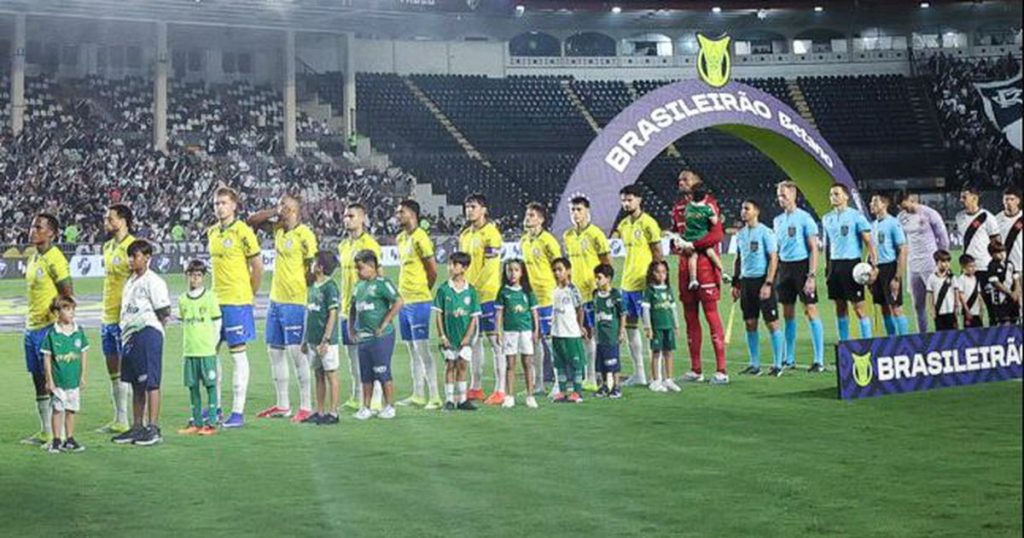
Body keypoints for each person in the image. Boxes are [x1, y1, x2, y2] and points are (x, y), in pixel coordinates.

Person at [250, 195, 317, 423]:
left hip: (295, 301)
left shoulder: (304, 234)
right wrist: (273, 211)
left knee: (296, 353)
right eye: (282, 207)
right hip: (276, 300)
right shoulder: (278, 230)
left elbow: (313, 267)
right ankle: (282, 404)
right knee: (274, 351)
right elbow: (252, 221)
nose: (283, 211)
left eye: (287, 208)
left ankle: (306, 406)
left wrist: (303, 289)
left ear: (297, 211)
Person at [208, 185, 264, 428]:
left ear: (234, 206)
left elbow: (258, 267)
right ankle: (214, 407)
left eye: (223, 203)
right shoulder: (212, 232)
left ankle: (238, 412)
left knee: (238, 354)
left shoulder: (243, 231)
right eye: (216, 203)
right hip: (214, 302)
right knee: (209, 354)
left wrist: (250, 294)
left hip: (237, 302)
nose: (219, 207)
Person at [21, 213, 73, 448]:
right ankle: (44, 431)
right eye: (33, 226)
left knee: (53, 382)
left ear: (51, 232)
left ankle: (59, 434)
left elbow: (67, 293)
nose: (33, 230)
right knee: (38, 380)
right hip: (31, 328)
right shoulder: (33, 257)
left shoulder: (55, 258)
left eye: (38, 227)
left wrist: (59, 321)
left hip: (47, 328)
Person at [112, 239, 171, 446]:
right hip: (130, 336)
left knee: (150, 382)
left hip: (147, 333)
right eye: (129, 256)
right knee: (136, 383)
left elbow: (164, 311)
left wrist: (154, 330)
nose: (130, 260)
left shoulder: (153, 281)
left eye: (135, 256)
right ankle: (137, 427)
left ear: (147, 258)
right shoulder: (130, 282)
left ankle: (153, 428)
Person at [671, 171, 728, 384]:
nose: (681, 182)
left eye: (686, 179)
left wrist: (693, 245)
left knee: (711, 314)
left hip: (705, 266)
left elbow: (717, 235)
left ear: (697, 183)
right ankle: (696, 369)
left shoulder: (709, 204)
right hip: (685, 267)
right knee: (690, 316)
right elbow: (676, 232)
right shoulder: (677, 208)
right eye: (680, 179)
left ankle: (721, 370)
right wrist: (676, 242)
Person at [772, 181, 826, 371]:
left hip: (802, 268)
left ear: (794, 195)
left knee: (810, 310)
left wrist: (811, 276)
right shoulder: (777, 221)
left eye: (784, 195)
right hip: (784, 268)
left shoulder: (805, 219)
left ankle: (819, 359)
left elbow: (814, 249)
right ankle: (790, 358)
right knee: (787, 313)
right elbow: (776, 250)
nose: (781, 199)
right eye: (779, 195)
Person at [395, 199, 441, 409]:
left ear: (412, 214)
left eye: (401, 212)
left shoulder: (420, 237)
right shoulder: (401, 238)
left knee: (423, 349)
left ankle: (435, 396)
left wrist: (424, 290)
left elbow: (432, 269)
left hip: (419, 300)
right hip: (404, 301)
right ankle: (418, 394)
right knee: (412, 349)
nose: (398, 215)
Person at [562, 196, 612, 391]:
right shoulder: (567, 235)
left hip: (592, 293)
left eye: (579, 210)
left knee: (593, 335)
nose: (575, 214)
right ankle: (586, 374)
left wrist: (605, 288)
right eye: (573, 210)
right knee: (580, 335)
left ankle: (593, 376)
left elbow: (606, 262)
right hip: (575, 295)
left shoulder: (596, 234)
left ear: (587, 211)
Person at [731, 199, 785, 377]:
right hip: (747, 282)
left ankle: (778, 364)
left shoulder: (766, 232)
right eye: (742, 208)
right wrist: (735, 283)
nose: (743, 211)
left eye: (747, 208)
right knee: (750, 323)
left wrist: (768, 283)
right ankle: (754, 364)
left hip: (763, 281)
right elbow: (738, 259)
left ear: (756, 211)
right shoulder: (740, 234)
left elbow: (773, 259)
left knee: (772, 323)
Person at [615, 184, 662, 387]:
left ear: (639, 200)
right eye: (624, 200)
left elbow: (657, 254)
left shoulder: (649, 223)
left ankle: (657, 377)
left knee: (652, 329)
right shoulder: (623, 225)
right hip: (627, 284)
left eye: (630, 199)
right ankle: (640, 374)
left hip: (644, 284)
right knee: (631, 328)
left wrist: (656, 282)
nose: (626, 203)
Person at [458, 194, 503, 402]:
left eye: (473, 207)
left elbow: (490, 267)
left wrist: (472, 288)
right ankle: (476, 387)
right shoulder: (465, 235)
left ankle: (500, 389)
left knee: (495, 341)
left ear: (483, 210)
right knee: (474, 342)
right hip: (470, 296)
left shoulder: (491, 233)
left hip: (488, 295)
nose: (469, 210)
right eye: (467, 207)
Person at [337, 203, 382, 410]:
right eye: (345, 215)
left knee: (370, 354)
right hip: (347, 309)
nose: (347, 219)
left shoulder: (369, 244)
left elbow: (377, 276)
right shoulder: (343, 245)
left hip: (366, 308)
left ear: (362, 218)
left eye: (351, 215)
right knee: (352, 355)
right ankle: (356, 395)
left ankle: (376, 396)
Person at [349, 250, 403, 420]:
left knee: (382, 370)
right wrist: (351, 328)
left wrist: (385, 323)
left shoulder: (382, 283)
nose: (358, 271)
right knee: (365, 374)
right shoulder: (358, 286)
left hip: (381, 336)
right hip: (363, 336)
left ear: (372, 267)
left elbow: (399, 301)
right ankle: (365, 407)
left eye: (360, 268)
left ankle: (390, 406)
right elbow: (352, 308)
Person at [821, 183, 877, 342]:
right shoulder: (827, 218)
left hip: (852, 265)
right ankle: (844, 344)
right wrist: (827, 266)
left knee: (858, 308)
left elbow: (869, 242)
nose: (833, 197)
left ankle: (868, 343)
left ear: (846, 196)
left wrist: (874, 265)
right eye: (831, 194)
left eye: (837, 194)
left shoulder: (856, 216)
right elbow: (828, 245)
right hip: (834, 265)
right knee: (840, 307)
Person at [520, 202, 563, 401]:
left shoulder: (548, 241)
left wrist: (560, 293)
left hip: (547, 297)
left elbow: (559, 268)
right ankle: (537, 384)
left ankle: (558, 382)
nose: (528, 218)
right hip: (531, 299)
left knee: (551, 341)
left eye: (532, 215)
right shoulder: (524, 241)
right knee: (533, 341)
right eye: (527, 215)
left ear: (541, 219)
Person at [99, 203, 135, 435]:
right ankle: (119, 419)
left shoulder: (133, 247)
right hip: (107, 315)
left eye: (110, 218)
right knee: (113, 370)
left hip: (125, 318)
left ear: (123, 220)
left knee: (127, 369)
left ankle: (130, 419)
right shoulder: (108, 246)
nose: (106, 222)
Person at [177, 260, 221, 436]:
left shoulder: (210, 297)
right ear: (186, 276)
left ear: (203, 277)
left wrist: (213, 344)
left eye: (198, 275)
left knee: (210, 386)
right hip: (190, 351)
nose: (194, 279)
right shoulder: (182, 300)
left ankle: (211, 423)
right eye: (191, 275)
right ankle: (196, 422)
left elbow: (217, 322)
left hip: (206, 350)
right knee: (193, 387)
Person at [896, 190, 951, 333]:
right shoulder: (901, 218)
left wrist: (941, 260)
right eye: (902, 208)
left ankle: (943, 332)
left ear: (912, 199)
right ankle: (923, 336)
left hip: (930, 263)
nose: (905, 210)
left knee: (938, 301)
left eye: (906, 206)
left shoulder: (929, 214)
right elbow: (900, 241)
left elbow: (943, 237)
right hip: (913, 265)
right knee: (917, 305)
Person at [433, 251, 481, 411]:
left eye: (454, 264)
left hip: (465, 338)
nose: (450, 267)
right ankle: (448, 399)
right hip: (449, 337)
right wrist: (442, 335)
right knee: (449, 366)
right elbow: (438, 315)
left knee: (462, 366)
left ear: (464, 268)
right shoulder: (444, 289)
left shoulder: (471, 291)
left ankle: (462, 399)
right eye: (450, 264)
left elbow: (474, 317)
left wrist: (468, 337)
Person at [41, 296, 88, 453]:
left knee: (71, 409)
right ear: (57, 313)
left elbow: (83, 355)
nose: (71, 313)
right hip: (59, 381)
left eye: (72, 309)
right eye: (67, 309)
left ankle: (69, 438)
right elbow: (47, 358)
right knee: (58, 409)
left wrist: (82, 377)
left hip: (73, 381)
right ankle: (56, 439)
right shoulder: (52, 335)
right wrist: (49, 380)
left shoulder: (78, 332)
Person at [495, 259, 540, 409]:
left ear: (521, 272)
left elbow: (534, 312)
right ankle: (509, 396)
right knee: (510, 364)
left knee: (527, 363)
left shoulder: (527, 292)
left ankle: (530, 395)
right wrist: (498, 331)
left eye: (516, 270)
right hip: (510, 332)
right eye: (509, 270)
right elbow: (499, 313)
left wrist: (536, 330)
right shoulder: (503, 292)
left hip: (526, 331)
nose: (512, 274)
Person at [304, 252, 342, 425]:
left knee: (330, 374)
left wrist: (326, 339)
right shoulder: (312, 285)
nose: (311, 265)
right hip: (312, 339)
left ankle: (333, 413)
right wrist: (305, 339)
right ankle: (319, 411)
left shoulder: (330, 287)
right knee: (318, 374)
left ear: (320, 267)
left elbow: (333, 314)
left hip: (326, 341)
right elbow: (309, 313)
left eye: (314, 262)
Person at [955, 186, 1002, 322]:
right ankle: (975, 335)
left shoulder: (987, 217)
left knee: (990, 303)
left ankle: (994, 332)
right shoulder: (959, 217)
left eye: (964, 197)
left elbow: (996, 242)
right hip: (967, 268)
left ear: (975, 198)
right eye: (961, 197)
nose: (961, 200)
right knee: (970, 305)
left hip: (984, 266)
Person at [870, 192, 910, 336]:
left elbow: (903, 250)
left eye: (875, 202)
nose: (871, 205)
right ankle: (891, 340)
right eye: (871, 202)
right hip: (877, 269)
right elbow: (872, 250)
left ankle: (905, 341)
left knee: (896, 307)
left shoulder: (893, 223)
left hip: (890, 268)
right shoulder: (873, 225)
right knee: (884, 307)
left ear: (884, 204)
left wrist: (897, 277)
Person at [550, 258, 587, 403]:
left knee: (575, 363)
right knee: (560, 363)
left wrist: (580, 326)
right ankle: (563, 391)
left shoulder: (573, 290)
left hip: (571, 333)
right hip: (557, 332)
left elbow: (580, 309)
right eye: (554, 270)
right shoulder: (555, 291)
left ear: (568, 271)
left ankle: (577, 391)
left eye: (560, 269)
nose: (557, 273)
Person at [642, 260, 680, 393]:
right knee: (656, 352)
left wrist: (676, 325)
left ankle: (668, 379)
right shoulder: (649, 291)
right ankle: (655, 379)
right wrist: (648, 327)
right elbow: (646, 310)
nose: (661, 275)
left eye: (664, 272)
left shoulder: (668, 289)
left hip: (668, 326)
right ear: (652, 273)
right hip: (656, 327)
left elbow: (673, 308)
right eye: (658, 272)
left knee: (668, 352)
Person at [592, 264, 625, 399]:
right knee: (601, 362)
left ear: (608, 278)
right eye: (596, 277)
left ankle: (616, 386)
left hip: (612, 335)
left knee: (613, 361)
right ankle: (604, 386)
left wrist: (621, 330)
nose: (597, 280)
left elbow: (622, 313)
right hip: (600, 336)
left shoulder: (615, 294)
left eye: (599, 277)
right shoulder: (595, 294)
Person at [995, 186, 1023, 317]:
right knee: (1008, 304)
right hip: (1005, 270)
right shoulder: (996, 220)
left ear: (1018, 200)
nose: (1008, 202)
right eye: (1006, 199)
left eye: (1012, 199)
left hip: (1021, 267)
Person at [985, 241, 1020, 326]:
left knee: (1015, 320)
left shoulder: (1010, 263)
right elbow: (995, 283)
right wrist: (1009, 293)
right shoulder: (992, 266)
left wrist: (1016, 291)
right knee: (1004, 322)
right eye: (998, 252)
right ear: (992, 254)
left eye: (1003, 251)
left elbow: (1016, 278)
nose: (1001, 254)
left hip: (1012, 298)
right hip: (1000, 299)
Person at [926, 250, 957, 331]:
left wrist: (956, 305)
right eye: (943, 261)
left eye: (948, 261)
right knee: (941, 333)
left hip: (950, 310)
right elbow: (930, 294)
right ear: (937, 262)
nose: (946, 264)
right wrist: (931, 308)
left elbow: (955, 291)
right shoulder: (932, 278)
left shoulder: (952, 277)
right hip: (939, 310)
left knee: (953, 333)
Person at [955, 254, 984, 328]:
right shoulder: (961, 279)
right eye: (970, 266)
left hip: (977, 311)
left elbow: (979, 295)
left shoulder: (976, 279)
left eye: (974, 266)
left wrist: (981, 309)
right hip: (968, 310)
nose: (973, 268)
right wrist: (967, 310)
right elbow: (961, 296)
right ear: (963, 267)